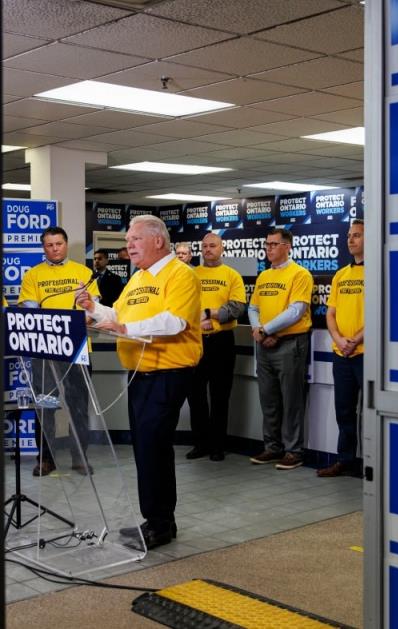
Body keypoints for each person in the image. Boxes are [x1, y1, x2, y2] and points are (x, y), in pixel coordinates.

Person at [76, 214, 201, 549]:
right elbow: (119, 315)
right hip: (140, 374)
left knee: (152, 446)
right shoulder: (138, 278)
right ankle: (158, 521)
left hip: (169, 372)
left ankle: (159, 525)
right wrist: (94, 309)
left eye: (135, 239)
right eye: (128, 240)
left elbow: (174, 321)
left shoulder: (181, 274)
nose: (128, 245)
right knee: (147, 448)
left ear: (158, 240)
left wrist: (125, 330)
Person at [17, 226, 100, 476]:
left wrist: (87, 312)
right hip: (44, 350)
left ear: (66, 244)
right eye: (49, 245)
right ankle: (46, 459)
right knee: (46, 405)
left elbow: (93, 308)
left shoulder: (83, 272)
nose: (54, 249)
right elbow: (30, 309)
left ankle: (79, 457)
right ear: (44, 247)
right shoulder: (33, 275)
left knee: (78, 404)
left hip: (76, 350)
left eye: (59, 244)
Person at [248, 228, 313, 471]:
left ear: (287, 246)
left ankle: (293, 451)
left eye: (274, 244)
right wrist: (258, 330)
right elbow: (253, 307)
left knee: (291, 400)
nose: (269, 248)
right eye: (267, 244)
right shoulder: (264, 276)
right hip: (263, 345)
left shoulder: (300, 274)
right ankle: (272, 447)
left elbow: (296, 310)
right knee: (269, 400)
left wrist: (267, 330)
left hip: (290, 344)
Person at [186, 233, 246, 462]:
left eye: (213, 245)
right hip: (196, 341)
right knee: (196, 395)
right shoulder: (191, 275)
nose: (208, 249)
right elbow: (184, 304)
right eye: (204, 246)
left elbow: (237, 307)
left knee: (220, 395)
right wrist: (198, 318)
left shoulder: (232, 275)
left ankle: (217, 446)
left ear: (222, 248)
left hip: (222, 342)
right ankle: (200, 443)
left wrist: (210, 314)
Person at [318, 219, 365, 478]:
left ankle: (373, 463)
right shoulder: (340, 275)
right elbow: (331, 313)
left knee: (370, 413)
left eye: (357, 235)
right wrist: (338, 339)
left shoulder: (378, 271)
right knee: (344, 411)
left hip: (366, 354)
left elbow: (381, 311)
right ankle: (345, 460)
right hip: (342, 354)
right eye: (349, 235)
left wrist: (356, 339)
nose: (351, 239)